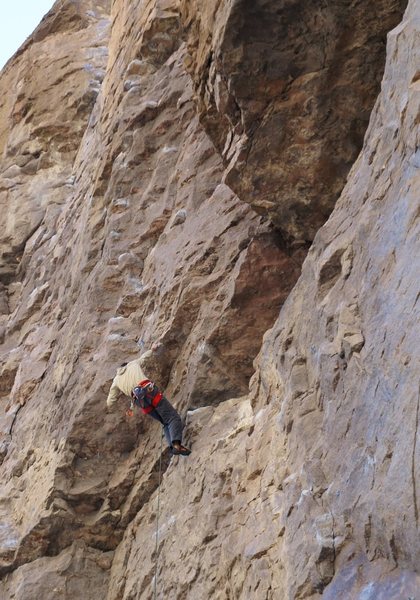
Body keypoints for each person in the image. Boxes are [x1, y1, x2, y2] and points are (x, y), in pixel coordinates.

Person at [106, 351, 191, 456]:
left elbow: (110, 402)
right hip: (149, 392)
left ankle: (172, 447)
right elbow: (145, 358)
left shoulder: (116, 380)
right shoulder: (132, 364)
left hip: (141, 402)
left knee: (165, 422)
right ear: (126, 365)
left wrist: (122, 410)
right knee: (172, 417)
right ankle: (176, 445)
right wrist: (153, 349)